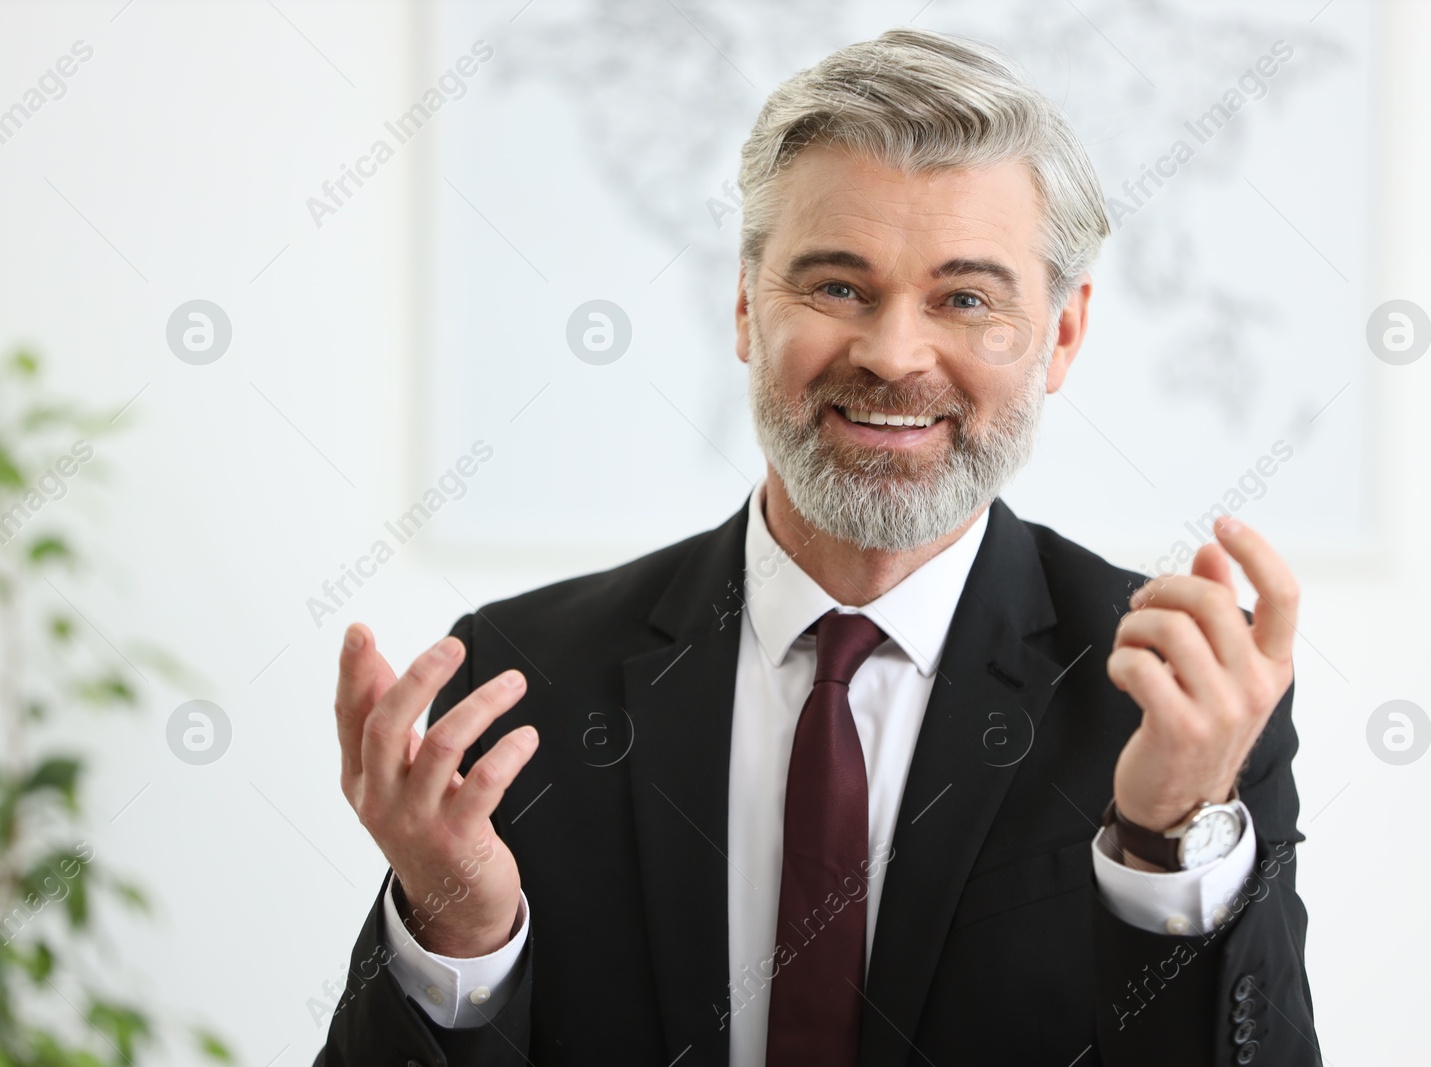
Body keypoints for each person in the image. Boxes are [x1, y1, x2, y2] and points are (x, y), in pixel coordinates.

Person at [316, 26, 1318, 1067]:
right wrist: (457, 938)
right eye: (837, 286)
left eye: (965, 299)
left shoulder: (1172, 697)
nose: (891, 355)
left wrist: (1168, 841)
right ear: (747, 304)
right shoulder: (524, 680)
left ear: (1060, 335)